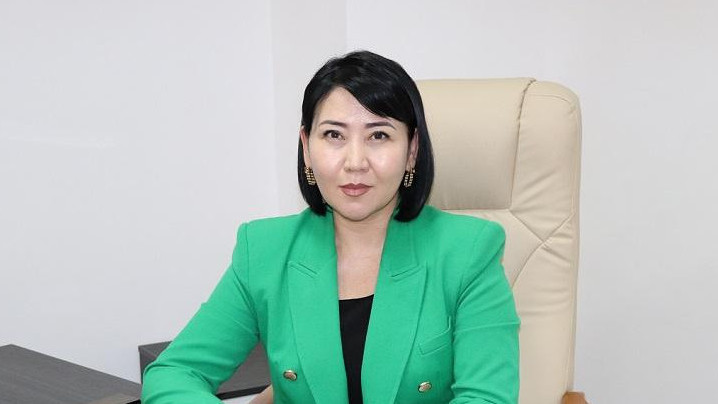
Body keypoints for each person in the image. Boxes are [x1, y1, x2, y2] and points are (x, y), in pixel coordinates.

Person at [141, 50, 519, 404]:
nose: (355, 162)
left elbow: (487, 398)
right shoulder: (265, 250)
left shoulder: (468, 252)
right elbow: (175, 373)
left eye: (379, 135)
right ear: (307, 146)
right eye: (334, 135)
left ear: (412, 150)